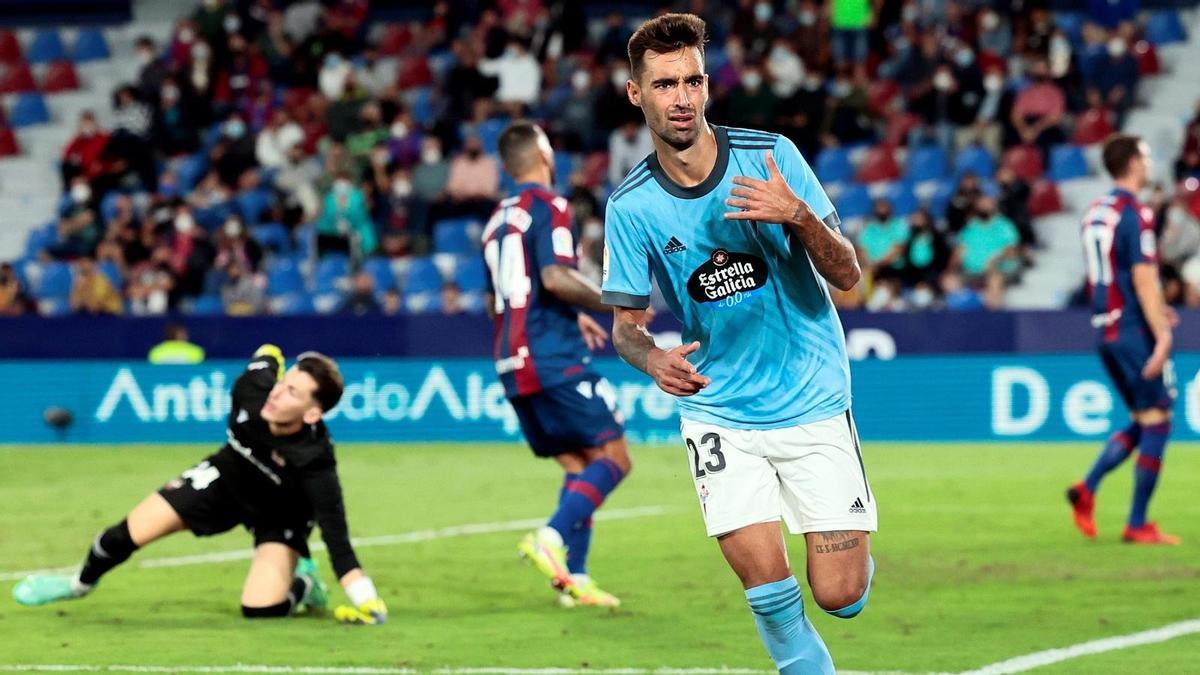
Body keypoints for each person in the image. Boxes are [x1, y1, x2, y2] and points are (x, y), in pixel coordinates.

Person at [601, 14, 874, 673]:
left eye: (693, 79)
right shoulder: (631, 206)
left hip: (811, 398)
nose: (683, 97)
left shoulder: (770, 155)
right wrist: (653, 357)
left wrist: (801, 216)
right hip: (720, 410)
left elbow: (849, 277)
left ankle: (854, 552)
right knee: (774, 601)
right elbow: (625, 330)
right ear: (636, 94)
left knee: (839, 595)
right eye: (665, 84)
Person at [13, 347, 389, 624]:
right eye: (283, 382)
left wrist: (366, 599)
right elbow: (267, 357)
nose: (277, 393)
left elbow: (338, 542)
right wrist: (271, 356)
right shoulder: (253, 389)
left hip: (280, 513)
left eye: (292, 392)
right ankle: (77, 585)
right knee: (122, 535)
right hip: (226, 479)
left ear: (311, 413)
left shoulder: (316, 461)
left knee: (260, 610)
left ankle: (305, 583)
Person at [483, 121, 632, 609]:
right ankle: (550, 539)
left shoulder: (497, 221)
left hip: (511, 357)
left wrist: (573, 317)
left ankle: (576, 579)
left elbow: (501, 301)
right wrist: (615, 304)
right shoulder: (551, 206)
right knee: (613, 458)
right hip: (551, 355)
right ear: (544, 154)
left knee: (579, 464)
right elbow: (555, 276)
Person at [1067, 134, 1180, 545]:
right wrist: (1163, 335)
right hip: (1133, 330)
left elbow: (1112, 276)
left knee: (1142, 417)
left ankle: (1086, 489)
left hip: (1105, 328)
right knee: (1159, 419)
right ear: (1132, 163)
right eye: (1146, 156)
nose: (1149, 164)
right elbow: (1143, 277)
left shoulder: (1097, 211)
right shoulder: (1136, 213)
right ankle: (1136, 523)